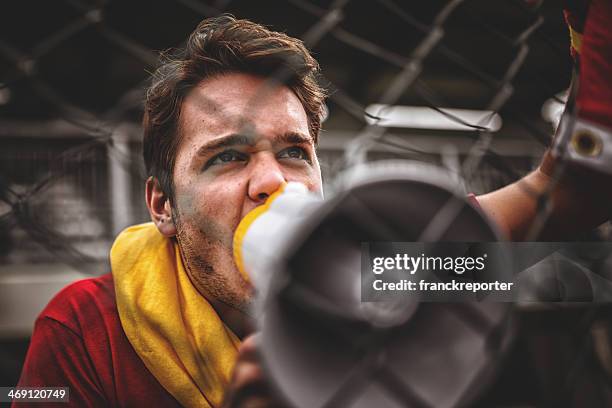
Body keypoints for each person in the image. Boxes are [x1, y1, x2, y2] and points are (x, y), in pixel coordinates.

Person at [13, 8, 612, 408]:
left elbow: (571, 193)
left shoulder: (384, 268)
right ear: (162, 206)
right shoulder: (84, 331)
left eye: (295, 152)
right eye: (226, 157)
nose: (274, 181)